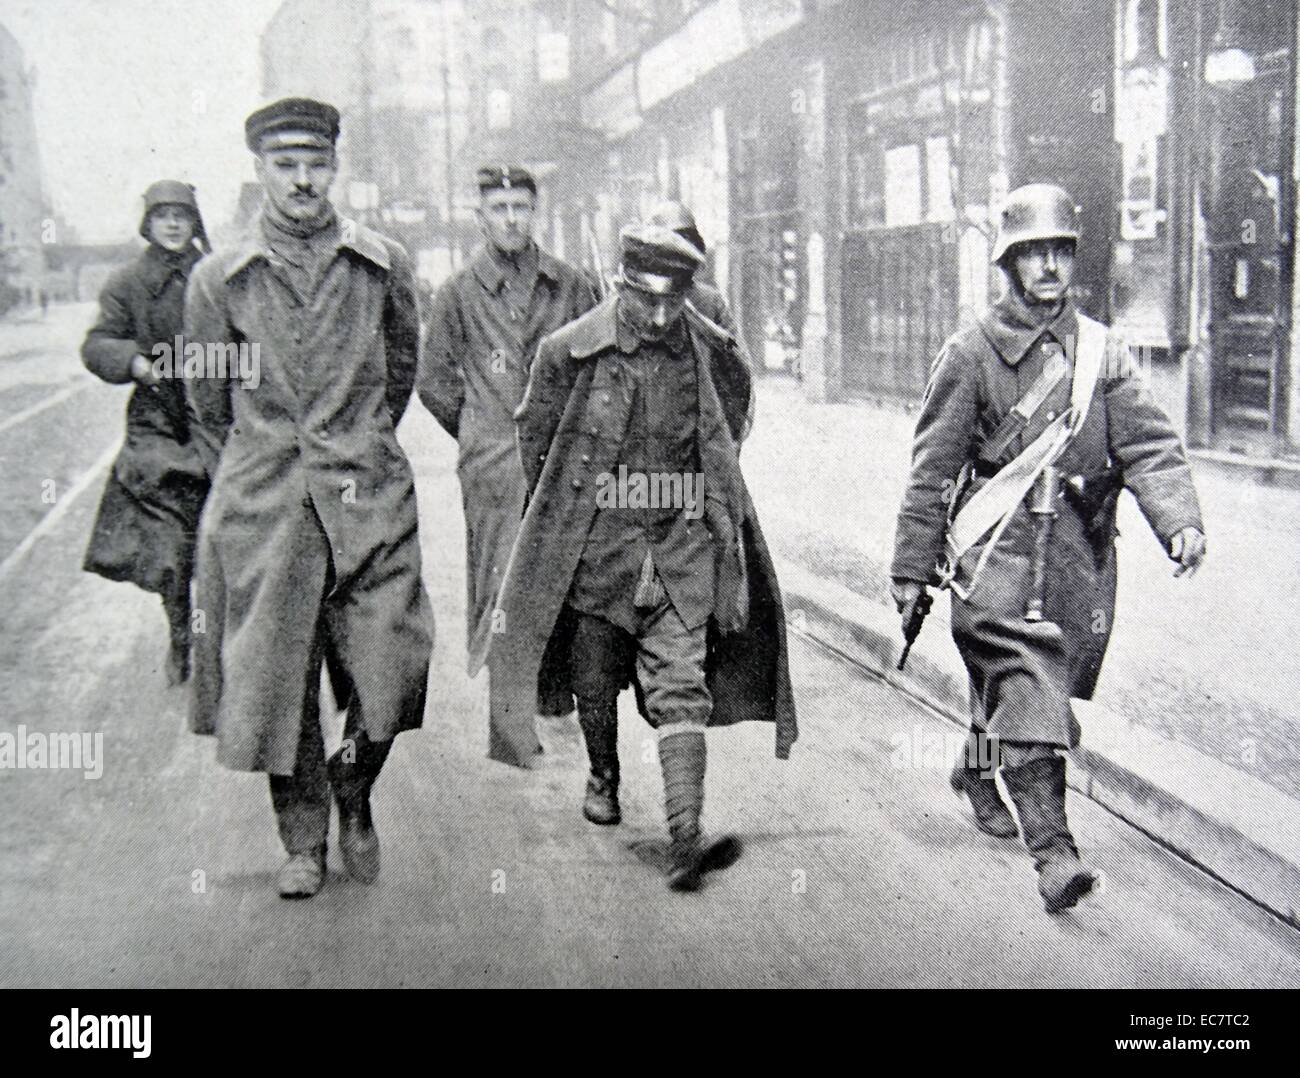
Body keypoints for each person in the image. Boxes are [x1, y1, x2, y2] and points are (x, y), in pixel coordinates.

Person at [890, 183, 1206, 913]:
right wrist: (912, 567)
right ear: (1009, 264)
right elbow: (933, 470)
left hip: (1074, 555)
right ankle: (1056, 855)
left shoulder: (1103, 353)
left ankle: (977, 769)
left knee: (1029, 681)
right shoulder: (969, 354)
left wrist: (1179, 520)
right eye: (1032, 253)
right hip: (993, 551)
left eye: (1059, 251)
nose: (1049, 267)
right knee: (1029, 680)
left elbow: (1150, 447)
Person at [490, 223, 797, 889]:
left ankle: (686, 835)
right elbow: (536, 439)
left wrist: (713, 526)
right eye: (646, 299)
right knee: (595, 680)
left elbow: (731, 424)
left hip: (680, 547)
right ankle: (603, 773)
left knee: (682, 686)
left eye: (673, 300)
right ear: (623, 286)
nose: (660, 315)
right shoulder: (569, 352)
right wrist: (570, 511)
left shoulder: (708, 350)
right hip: (600, 552)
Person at [183, 97, 434, 899]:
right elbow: (206, 398)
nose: (302, 181)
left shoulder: (382, 264)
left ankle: (353, 783)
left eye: (315, 164)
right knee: (276, 678)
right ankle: (302, 841)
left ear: (335, 168)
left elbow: (402, 371)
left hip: (368, 492)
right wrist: (275, 455)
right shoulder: (218, 278)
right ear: (259, 171)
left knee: (394, 664)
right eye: (285, 166)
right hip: (267, 503)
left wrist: (355, 444)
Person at [419, 164, 598, 766]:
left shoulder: (570, 285)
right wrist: (479, 432)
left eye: (521, 206)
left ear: (535, 211)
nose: (512, 218)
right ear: (481, 216)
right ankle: (507, 725)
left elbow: (596, 365)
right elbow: (434, 382)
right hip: (494, 465)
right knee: (500, 585)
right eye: (499, 208)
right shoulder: (457, 293)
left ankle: (555, 690)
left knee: (562, 575)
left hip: (561, 461)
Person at [82, 180, 211, 686]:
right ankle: (180, 636)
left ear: (195, 221)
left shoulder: (218, 274)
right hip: (157, 421)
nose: (174, 224)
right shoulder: (127, 281)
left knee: (227, 530)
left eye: (182, 215)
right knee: (169, 540)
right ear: (148, 224)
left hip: (216, 417)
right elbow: (97, 343)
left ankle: (226, 636)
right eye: (163, 217)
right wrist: (134, 361)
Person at [648, 200, 754, 441]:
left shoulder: (709, 301)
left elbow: (739, 366)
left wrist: (730, 437)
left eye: (685, 243)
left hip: (702, 430)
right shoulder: (637, 301)